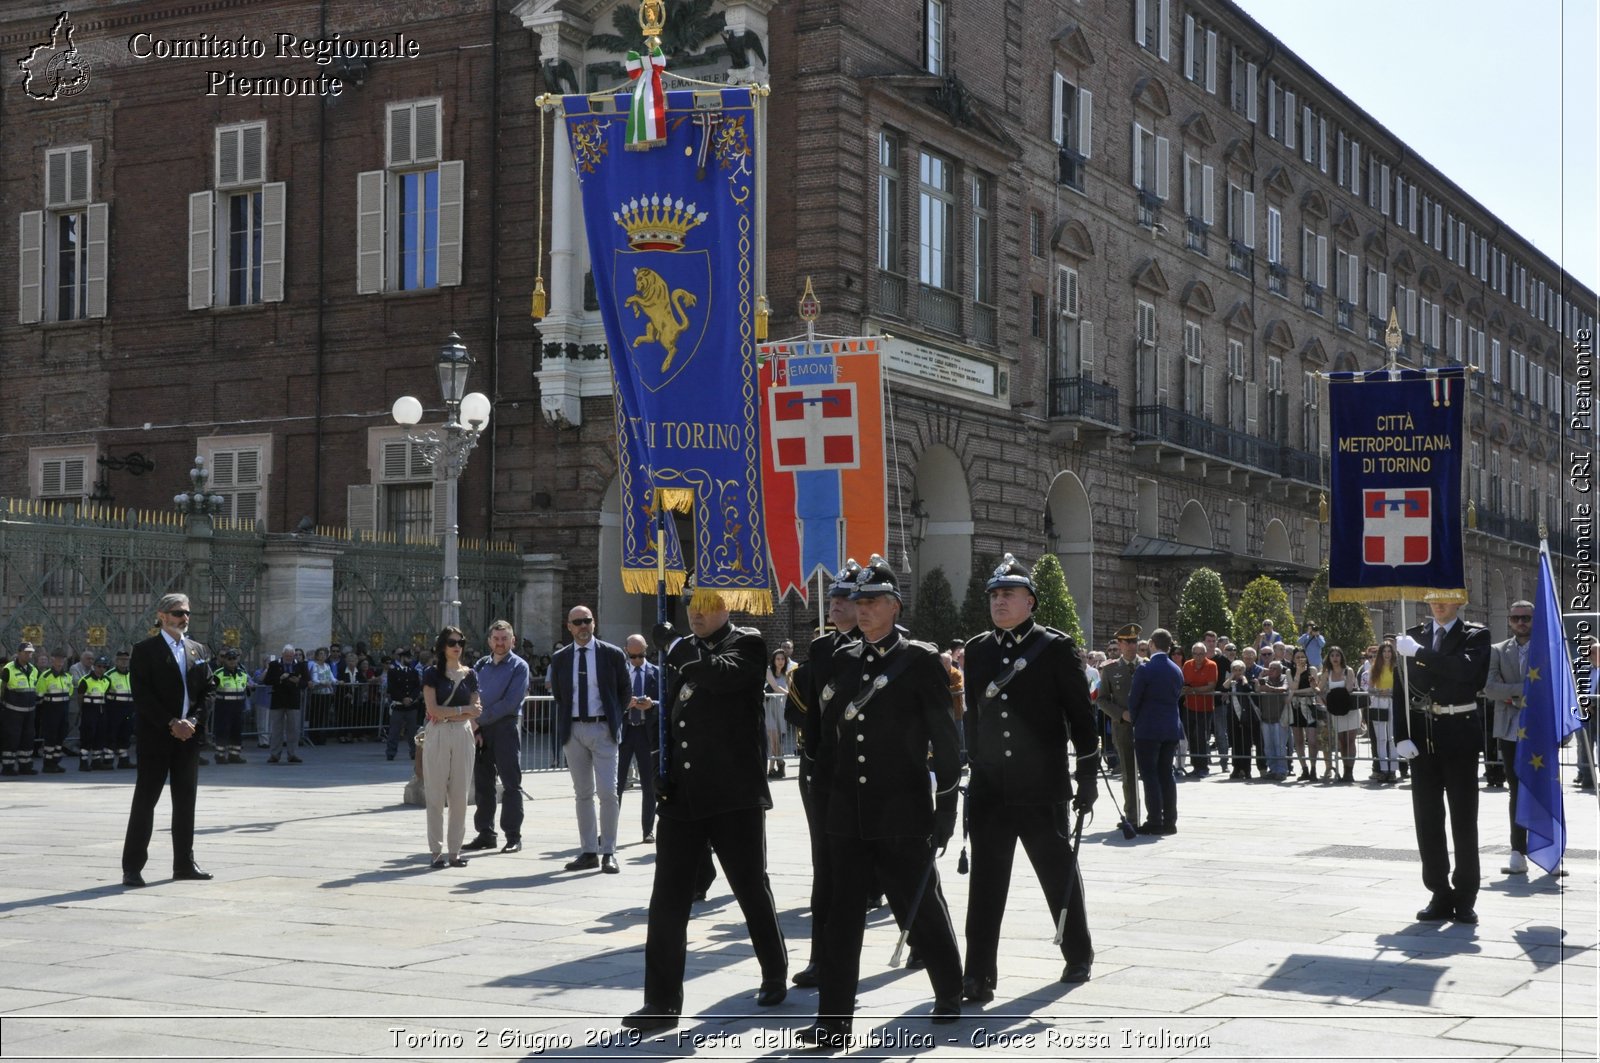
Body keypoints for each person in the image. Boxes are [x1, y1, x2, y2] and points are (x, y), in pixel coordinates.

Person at [797, 555, 961, 1049]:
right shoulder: (841, 660)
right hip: (848, 810)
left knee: (920, 905)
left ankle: (949, 990)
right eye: (854, 601)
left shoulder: (919, 660)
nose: (859, 609)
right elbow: (828, 740)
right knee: (840, 916)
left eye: (870, 601)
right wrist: (825, 804)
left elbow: (946, 741)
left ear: (893, 606)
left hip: (902, 809)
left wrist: (947, 808)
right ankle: (833, 1020)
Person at [622, 586, 787, 1034]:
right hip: (683, 797)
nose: (695, 614)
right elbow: (675, 715)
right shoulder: (686, 652)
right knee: (669, 900)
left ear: (726, 607)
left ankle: (774, 971)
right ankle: (660, 1002)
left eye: (706, 606)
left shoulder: (747, 644)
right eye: (691, 607)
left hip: (732, 796)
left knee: (750, 887)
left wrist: (674, 647)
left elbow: (720, 677)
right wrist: (664, 766)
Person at [960, 553, 1099, 1004]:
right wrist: (973, 766)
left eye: (1008, 594)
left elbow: (1081, 717)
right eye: (994, 595)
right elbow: (973, 716)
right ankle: (978, 973)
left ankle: (1078, 952)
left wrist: (1088, 776)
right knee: (985, 882)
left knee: (1056, 872)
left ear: (1030, 601)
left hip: (1041, 785)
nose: (999, 602)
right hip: (990, 787)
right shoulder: (978, 649)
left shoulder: (1054, 647)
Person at [785, 560, 862, 990]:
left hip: (876, 774)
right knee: (826, 868)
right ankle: (821, 958)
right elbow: (805, 712)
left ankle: (924, 942)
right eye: (831, 600)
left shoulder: (894, 647)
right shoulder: (819, 650)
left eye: (844, 599)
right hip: (827, 771)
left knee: (899, 867)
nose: (834, 606)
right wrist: (812, 760)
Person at [1394, 592, 1492, 924]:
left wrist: (1420, 654)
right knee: (1427, 819)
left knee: (1464, 820)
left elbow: (1463, 672)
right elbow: (1400, 687)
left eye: (1446, 600)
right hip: (1422, 737)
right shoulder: (1416, 635)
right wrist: (1400, 734)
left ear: (1459, 603)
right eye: (1434, 599)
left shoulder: (1475, 636)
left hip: (1459, 735)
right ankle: (1438, 890)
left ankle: (1465, 896)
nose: (1439, 605)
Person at [121, 593, 214, 888]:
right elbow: (142, 695)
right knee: (145, 802)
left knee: (186, 803)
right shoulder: (145, 650)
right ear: (162, 615)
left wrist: (193, 722)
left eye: (186, 613)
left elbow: (208, 691)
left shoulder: (198, 650)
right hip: (157, 736)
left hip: (189, 737)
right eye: (177, 613)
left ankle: (184, 864)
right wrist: (171, 722)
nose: (183, 618)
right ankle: (133, 867)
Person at [549, 605, 630, 873]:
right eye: (577, 622)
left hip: (603, 728)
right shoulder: (560, 658)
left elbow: (624, 692)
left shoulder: (612, 654)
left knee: (608, 792)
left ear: (594, 624)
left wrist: (612, 721)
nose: (583, 626)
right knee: (582, 793)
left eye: (587, 621)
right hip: (574, 731)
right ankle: (588, 851)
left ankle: (608, 851)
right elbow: (561, 695)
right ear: (569, 626)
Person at [463, 620, 531, 855]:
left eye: (505, 639)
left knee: (511, 784)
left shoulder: (519, 666)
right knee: (483, 784)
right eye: (496, 639)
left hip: (504, 729)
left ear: (513, 641)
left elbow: (510, 702)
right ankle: (485, 833)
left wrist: (477, 720)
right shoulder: (481, 664)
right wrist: (474, 724)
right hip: (480, 731)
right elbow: (469, 694)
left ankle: (513, 835)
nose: (500, 643)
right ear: (489, 640)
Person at [421, 626, 482, 869]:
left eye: (461, 641)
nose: (457, 646)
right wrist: (461, 711)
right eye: (452, 642)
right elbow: (433, 710)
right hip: (437, 734)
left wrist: (457, 714)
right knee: (435, 794)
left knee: (460, 796)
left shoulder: (471, 674)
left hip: (463, 733)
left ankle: (455, 852)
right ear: (442, 647)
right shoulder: (431, 674)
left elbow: (477, 708)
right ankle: (436, 852)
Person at [1482, 600, 1534, 875]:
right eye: (1515, 618)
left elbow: (1558, 685)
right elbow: (1490, 688)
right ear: (1510, 621)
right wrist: (1524, 690)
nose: (1521, 622)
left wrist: (1512, 692)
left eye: (1526, 617)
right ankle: (1518, 851)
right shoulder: (1498, 651)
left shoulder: (1547, 649)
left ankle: (1549, 850)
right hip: (1510, 730)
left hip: (1540, 729)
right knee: (1515, 790)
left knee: (1545, 789)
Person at [1127, 628, 1183, 835]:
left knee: (1149, 775)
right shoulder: (1176, 669)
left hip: (1148, 728)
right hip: (1170, 727)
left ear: (1151, 644)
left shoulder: (1145, 669)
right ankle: (1170, 821)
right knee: (1166, 774)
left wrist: (1134, 718)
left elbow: (1134, 699)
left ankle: (1154, 820)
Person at [616, 633, 661, 844]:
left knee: (648, 784)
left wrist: (653, 704)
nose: (636, 660)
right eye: (632, 656)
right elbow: (610, 700)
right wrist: (625, 704)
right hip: (625, 732)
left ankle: (648, 830)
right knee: (615, 785)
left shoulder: (656, 673)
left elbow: (666, 702)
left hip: (645, 731)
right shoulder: (620, 673)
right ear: (626, 652)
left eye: (640, 655)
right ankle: (609, 830)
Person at [1096, 624, 1142, 826]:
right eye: (1128, 642)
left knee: (1150, 771)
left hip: (1146, 727)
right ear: (1120, 644)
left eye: (1135, 641)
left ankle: (1154, 814)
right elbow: (1102, 700)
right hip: (1123, 728)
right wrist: (1121, 714)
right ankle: (1132, 815)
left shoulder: (1147, 665)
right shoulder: (1110, 668)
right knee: (1129, 773)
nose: (1133, 645)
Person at [1319, 647, 1359, 783]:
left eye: (1337, 655)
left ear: (1341, 657)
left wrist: (1331, 693)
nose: (1335, 658)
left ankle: (1350, 771)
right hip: (1336, 710)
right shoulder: (1326, 673)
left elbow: (1348, 688)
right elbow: (1320, 688)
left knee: (1350, 740)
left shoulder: (1348, 671)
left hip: (1350, 709)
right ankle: (1344, 768)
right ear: (1329, 659)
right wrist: (1315, 686)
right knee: (1342, 742)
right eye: (1332, 656)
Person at [263, 644, 308, 764]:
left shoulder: (300, 665)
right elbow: (267, 681)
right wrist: (280, 678)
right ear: (282, 654)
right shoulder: (274, 665)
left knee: (293, 729)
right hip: (278, 699)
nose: (289, 657)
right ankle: (274, 754)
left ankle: (292, 754)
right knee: (276, 729)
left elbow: (306, 682)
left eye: (291, 655)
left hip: (293, 700)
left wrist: (298, 681)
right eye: (286, 655)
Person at [1364, 642, 1400, 783]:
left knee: (1392, 737)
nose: (1386, 654)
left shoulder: (1397, 668)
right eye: (1384, 651)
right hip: (1379, 702)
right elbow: (1370, 689)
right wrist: (1380, 692)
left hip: (1393, 702)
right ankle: (1383, 770)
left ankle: (1393, 771)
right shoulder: (1375, 669)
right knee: (1381, 738)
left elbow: (1400, 687)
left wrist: (1390, 692)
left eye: (1389, 651)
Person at [1179, 642, 1217, 775]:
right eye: (1195, 653)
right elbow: (1183, 682)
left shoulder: (1212, 665)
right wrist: (1185, 689)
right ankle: (1195, 766)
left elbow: (1211, 686)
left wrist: (1193, 690)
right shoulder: (1187, 664)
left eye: (1201, 654)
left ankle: (1203, 767)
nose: (1198, 657)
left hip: (1205, 708)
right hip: (1189, 706)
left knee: (1201, 737)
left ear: (1205, 654)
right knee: (1191, 737)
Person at [34, 648, 74, 773]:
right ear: (52, 660)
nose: (60, 661)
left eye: (62, 659)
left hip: (63, 710)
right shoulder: (45, 676)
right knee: (50, 738)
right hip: (50, 711)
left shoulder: (67, 676)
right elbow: (39, 695)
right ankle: (48, 764)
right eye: (57, 658)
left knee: (60, 737)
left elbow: (70, 692)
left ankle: (56, 762)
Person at [210, 648, 252, 764]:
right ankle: (220, 755)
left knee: (236, 731)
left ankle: (234, 755)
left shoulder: (242, 674)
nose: (232, 661)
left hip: (238, 708)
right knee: (222, 731)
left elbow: (245, 689)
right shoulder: (218, 674)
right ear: (225, 660)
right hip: (223, 708)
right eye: (229, 659)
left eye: (234, 658)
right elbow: (211, 690)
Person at [1288, 647, 1321, 781]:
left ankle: (1313, 768)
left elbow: (1314, 688)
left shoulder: (1312, 670)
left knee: (1312, 740)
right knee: (1299, 740)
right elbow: (1292, 687)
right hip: (1295, 706)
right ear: (1293, 659)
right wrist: (1298, 674)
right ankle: (1304, 768)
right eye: (1297, 657)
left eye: (1303, 657)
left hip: (1309, 705)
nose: (1300, 659)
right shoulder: (1290, 671)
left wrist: (1296, 692)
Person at [385, 648, 423, 761]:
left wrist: (411, 698)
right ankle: (391, 752)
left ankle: (414, 752)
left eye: (410, 658)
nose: (409, 660)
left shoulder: (413, 672)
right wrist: (402, 698)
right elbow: (392, 688)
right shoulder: (393, 671)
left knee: (412, 732)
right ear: (402, 658)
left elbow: (416, 687)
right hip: (398, 705)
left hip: (411, 706)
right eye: (407, 658)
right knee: (394, 731)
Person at [1257, 660, 1291, 780]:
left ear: (1280, 670)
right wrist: (1260, 678)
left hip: (1280, 718)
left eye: (1274, 669)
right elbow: (1258, 689)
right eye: (1270, 668)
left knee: (1280, 745)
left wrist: (1270, 689)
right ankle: (1272, 769)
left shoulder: (1285, 678)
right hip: (1266, 718)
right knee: (1268, 746)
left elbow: (1284, 688)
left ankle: (1281, 771)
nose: (1271, 671)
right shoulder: (1265, 679)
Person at [77, 655, 112, 771]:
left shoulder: (107, 680)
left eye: (104, 667)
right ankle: (83, 762)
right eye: (99, 666)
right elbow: (80, 697)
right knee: (87, 734)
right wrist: (82, 710)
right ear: (94, 667)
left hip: (101, 710)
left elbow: (105, 693)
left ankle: (96, 761)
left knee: (100, 735)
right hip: (89, 709)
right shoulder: (85, 680)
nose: (101, 669)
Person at [106, 648, 136, 769]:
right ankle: (108, 760)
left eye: (126, 660)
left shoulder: (131, 674)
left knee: (126, 732)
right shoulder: (109, 675)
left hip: (129, 707)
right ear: (116, 661)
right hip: (114, 708)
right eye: (121, 660)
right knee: (112, 733)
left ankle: (123, 759)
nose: (124, 662)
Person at [764, 648, 791, 778]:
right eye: (778, 659)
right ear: (773, 660)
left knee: (777, 740)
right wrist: (789, 695)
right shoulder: (768, 671)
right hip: (768, 707)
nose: (780, 661)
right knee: (773, 735)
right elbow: (775, 687)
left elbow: (791, 688)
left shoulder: (787, 674)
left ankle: (772, 769)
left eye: (782, 659)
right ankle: (781, 762)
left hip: (780, 707)